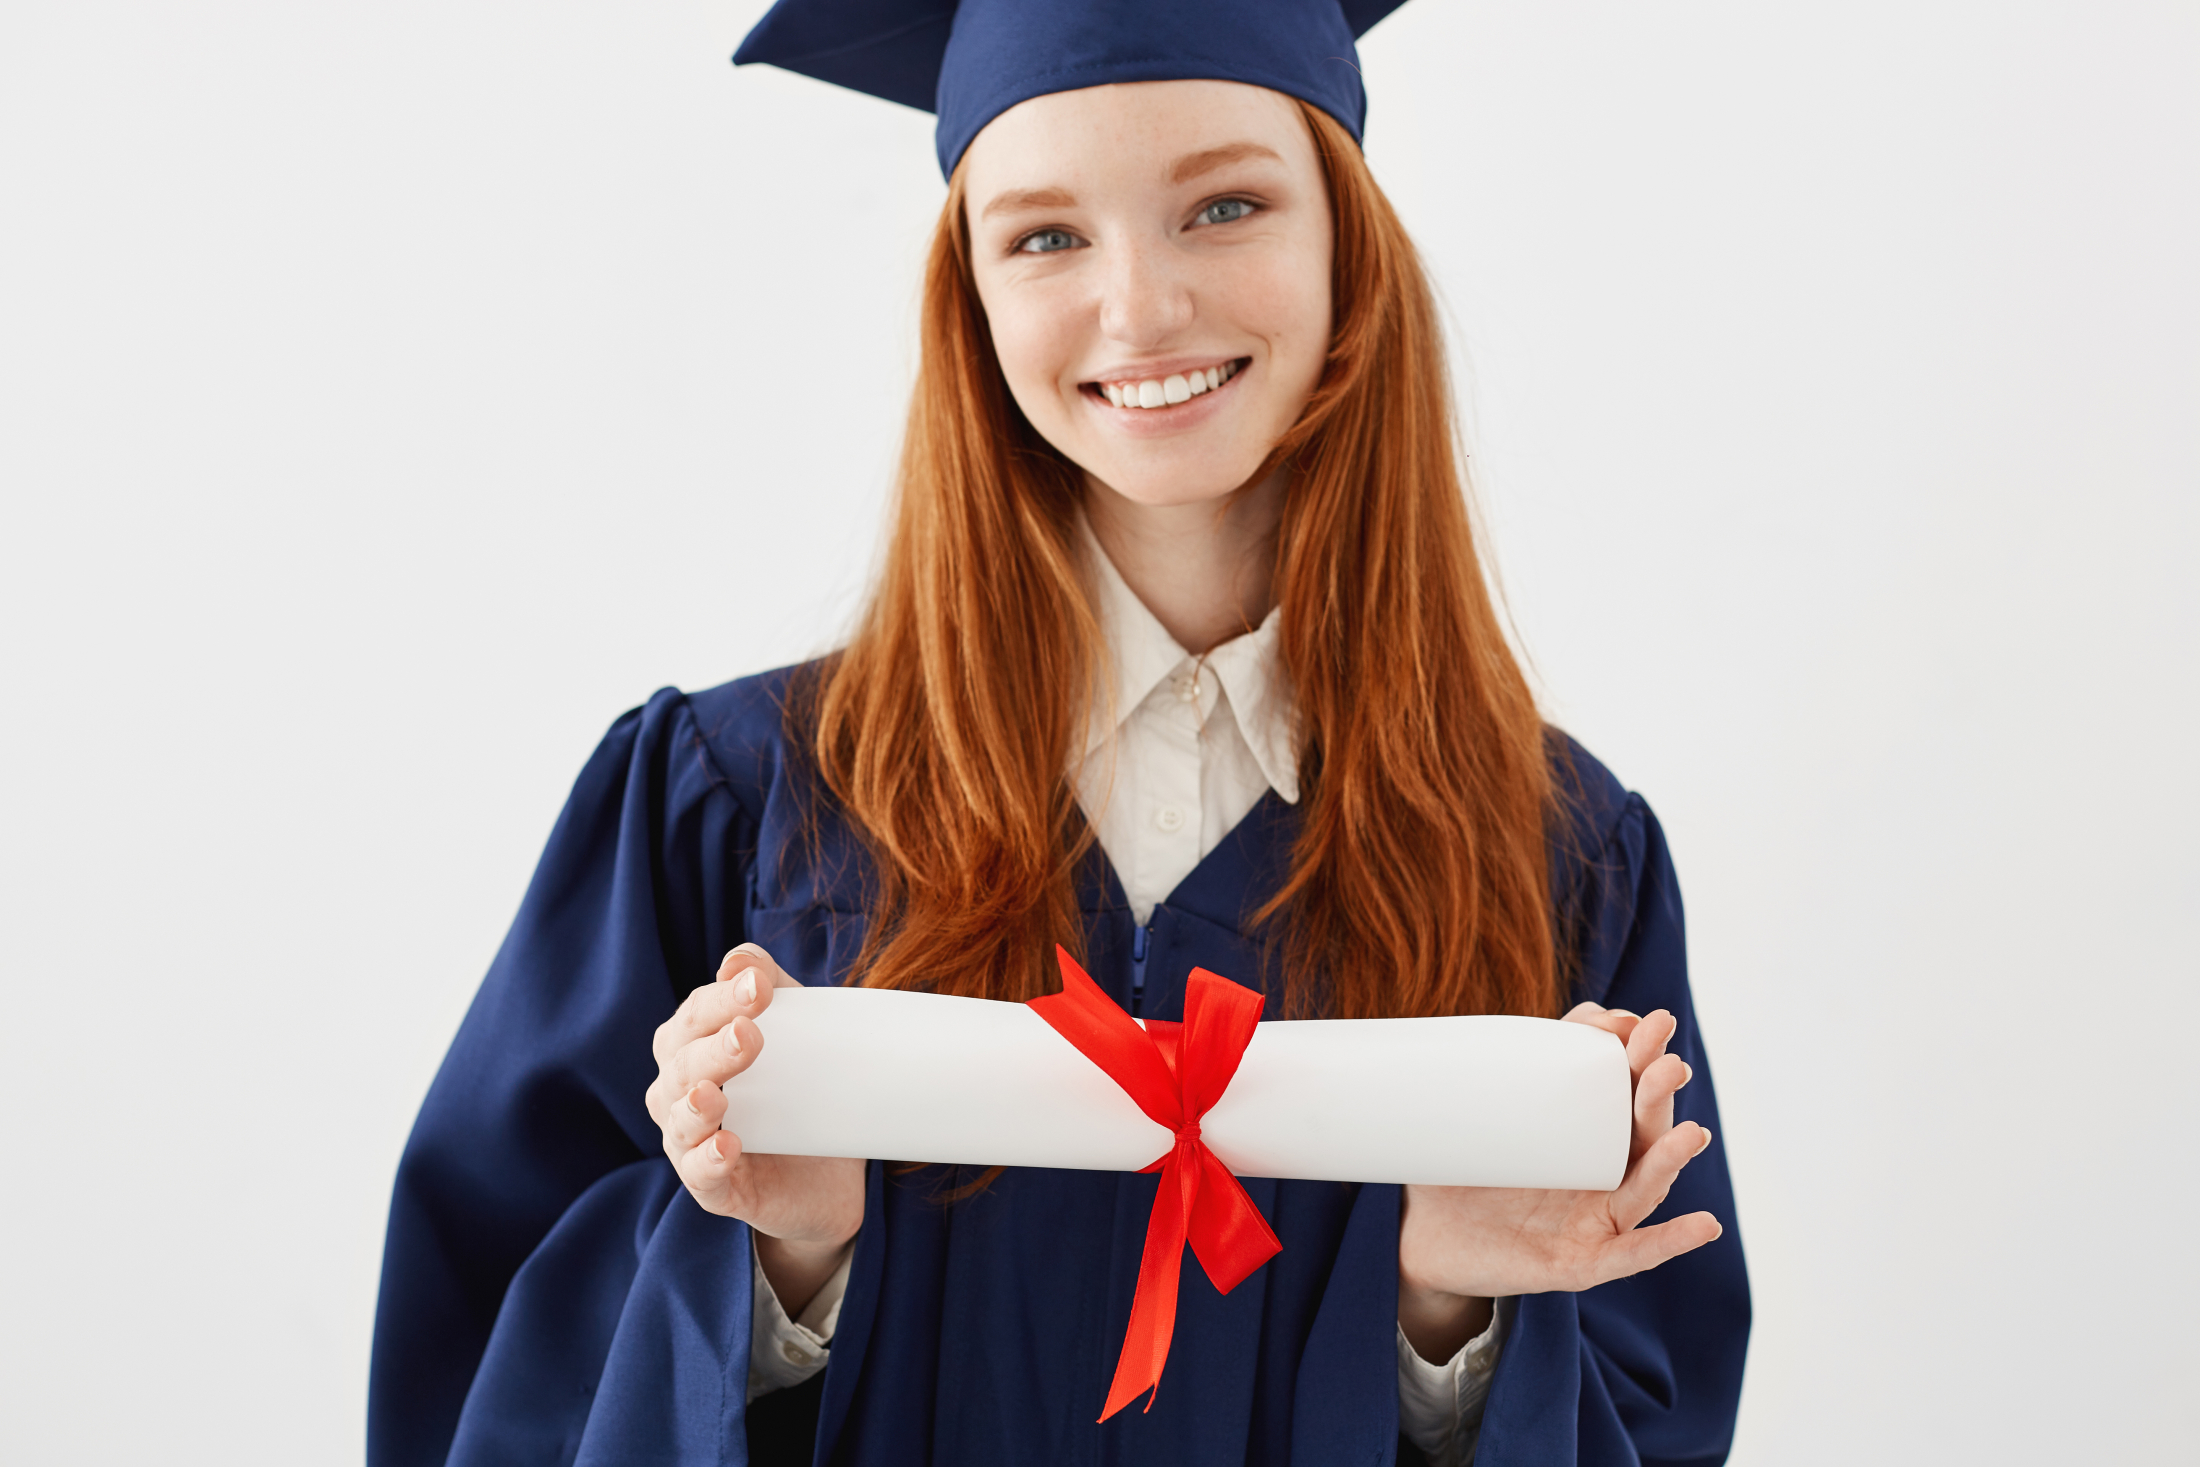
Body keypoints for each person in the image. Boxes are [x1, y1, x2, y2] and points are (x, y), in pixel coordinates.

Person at [368, 1, 1751, 1462]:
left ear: (1350, 244)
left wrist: (1450, 1332)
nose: (1142, 308)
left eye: (1225, 205)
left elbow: (1654, 1411)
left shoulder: (1551, 856)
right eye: (1045, 236)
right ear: (967, 297)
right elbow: (492, 1383)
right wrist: (778, 1274)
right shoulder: (737, 810)